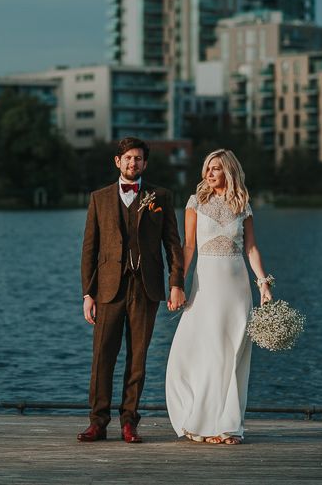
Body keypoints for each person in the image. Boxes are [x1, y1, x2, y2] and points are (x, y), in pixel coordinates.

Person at [78, 137, 186, 444]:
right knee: (102, 358)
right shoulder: (99, 198)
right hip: (108, 290)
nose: (132, 163)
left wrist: (175, 283)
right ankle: (97, 422)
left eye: (138, 159)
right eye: (127, 158)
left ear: (145, 164)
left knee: (137, 359)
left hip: (146, 288)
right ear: (117, 161)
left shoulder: (160, 196)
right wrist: (88, 293)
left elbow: (173, 245)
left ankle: (129, 422)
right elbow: (89, 248)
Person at [166, 149, 272, 445]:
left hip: (237, 289)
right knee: (211, 352)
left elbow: (251, 249)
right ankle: (206, 423)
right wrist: (177, 284)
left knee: (234, 354)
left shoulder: (243, 204)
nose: (209, 174)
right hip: (206, 287)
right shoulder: (195, 203)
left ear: (229, 171)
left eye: (215, 169)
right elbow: (189, 248)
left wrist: (263, 283)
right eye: (207, 169)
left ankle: (229, 426)